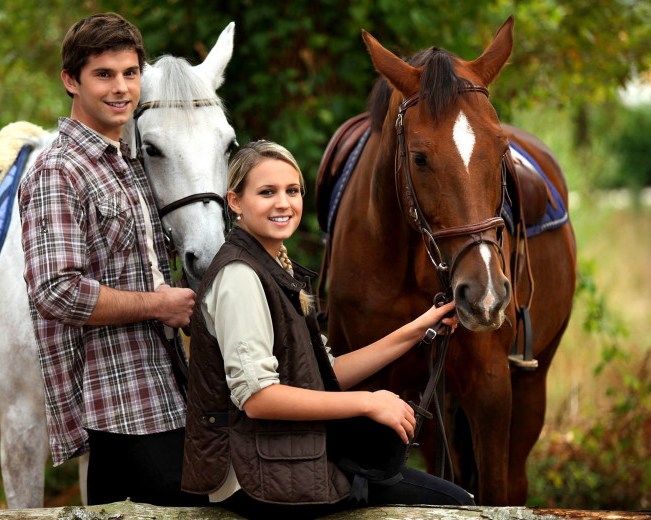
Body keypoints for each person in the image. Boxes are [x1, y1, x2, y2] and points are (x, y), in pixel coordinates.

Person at [181, 140, 475, 518]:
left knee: (452, 501)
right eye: (266, 192)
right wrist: (369, 402)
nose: (283, 203)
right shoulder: (240, 277)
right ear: (235, 202)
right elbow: (258, 398)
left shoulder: (272, 268)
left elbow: (325, 372)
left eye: (292, 191)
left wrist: (419, 327)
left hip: (285, 456)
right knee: (457, 509)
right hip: (255, 475)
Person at [19, 13, 203, 506]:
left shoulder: (127, 163)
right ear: (70, 81)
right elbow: (56, 289)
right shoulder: (57, 171)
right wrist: (157, 305)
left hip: (166, 393)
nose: (121, 88)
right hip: (117, 407)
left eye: (130, 73)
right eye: (104, 74)